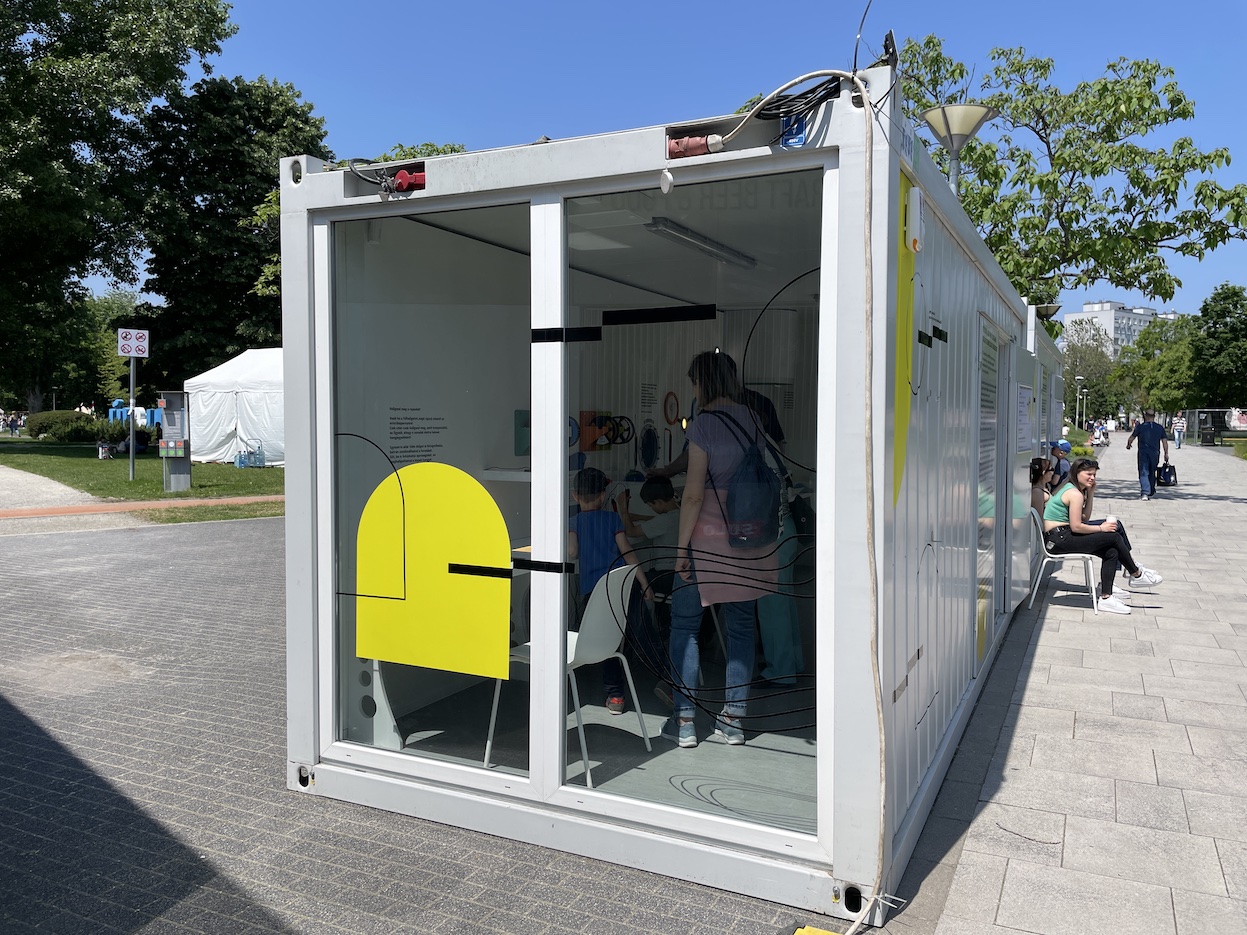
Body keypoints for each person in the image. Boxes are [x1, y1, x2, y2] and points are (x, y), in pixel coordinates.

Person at [661, 351, 778, 748]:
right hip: (748, 538)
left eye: (695, 381)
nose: (694, 388)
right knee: (742, 626)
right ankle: (733, 722)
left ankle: (685, 722)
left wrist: (681, 549)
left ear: (704, 383)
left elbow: (693, 496)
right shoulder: (753, 420)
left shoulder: (703, 426)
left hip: (706, 542)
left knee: (686, 626)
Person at [568, 467, 653, 715]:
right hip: (619, 588)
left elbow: (572, 552)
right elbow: (627, 552)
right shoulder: (612, 520)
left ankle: (609, 694)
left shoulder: (573, 522)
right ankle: (630, 691)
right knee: (626, 638)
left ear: (575, 496)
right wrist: (644, 582)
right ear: (603, 496)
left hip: (593, 594)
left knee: (599, 642)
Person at [1042, 457, 1163, 615]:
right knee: (1112, 537)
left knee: (1111, 549)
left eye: (1094, 475)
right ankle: (1135, 572)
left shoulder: (1075, 489)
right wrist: (1101, 528)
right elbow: (1077, 526)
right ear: (1076, 473)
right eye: (1088, 474)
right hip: (1058, 540)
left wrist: (1090, 494)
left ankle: (1106, 596)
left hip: (1062, 536)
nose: (1092, 478)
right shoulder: (1074, 493)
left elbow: (1084, 517)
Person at [1126, 409, 1170, 500]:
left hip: (1143, 452)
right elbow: (1165, 442)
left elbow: (1131, 438)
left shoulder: (1140, 427)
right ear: (1154, 416)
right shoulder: (1160, 428)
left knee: (1143, 471)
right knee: (1152, 471)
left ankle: (1145, 492)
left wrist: (1128, 445)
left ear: (1145, 416)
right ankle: (1151, 490)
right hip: (1155, 453)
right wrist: (1166, 453)